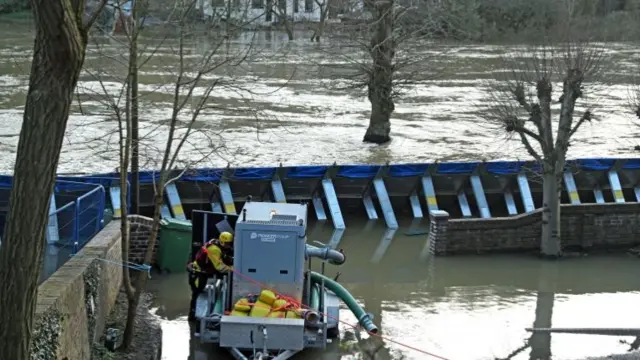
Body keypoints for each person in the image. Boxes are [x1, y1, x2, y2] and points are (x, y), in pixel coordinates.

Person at [187, 231, 234, 323]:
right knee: (196, 294)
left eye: (230, 244)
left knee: (197, 293)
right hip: (197, 273)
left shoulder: (217, 246)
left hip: (202, 273)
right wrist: (232, 269)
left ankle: (194, 316)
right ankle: (192, 318)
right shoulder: (214, 249)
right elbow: (219, 266)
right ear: (222, 242)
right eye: (227, 244)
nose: (228, 246)